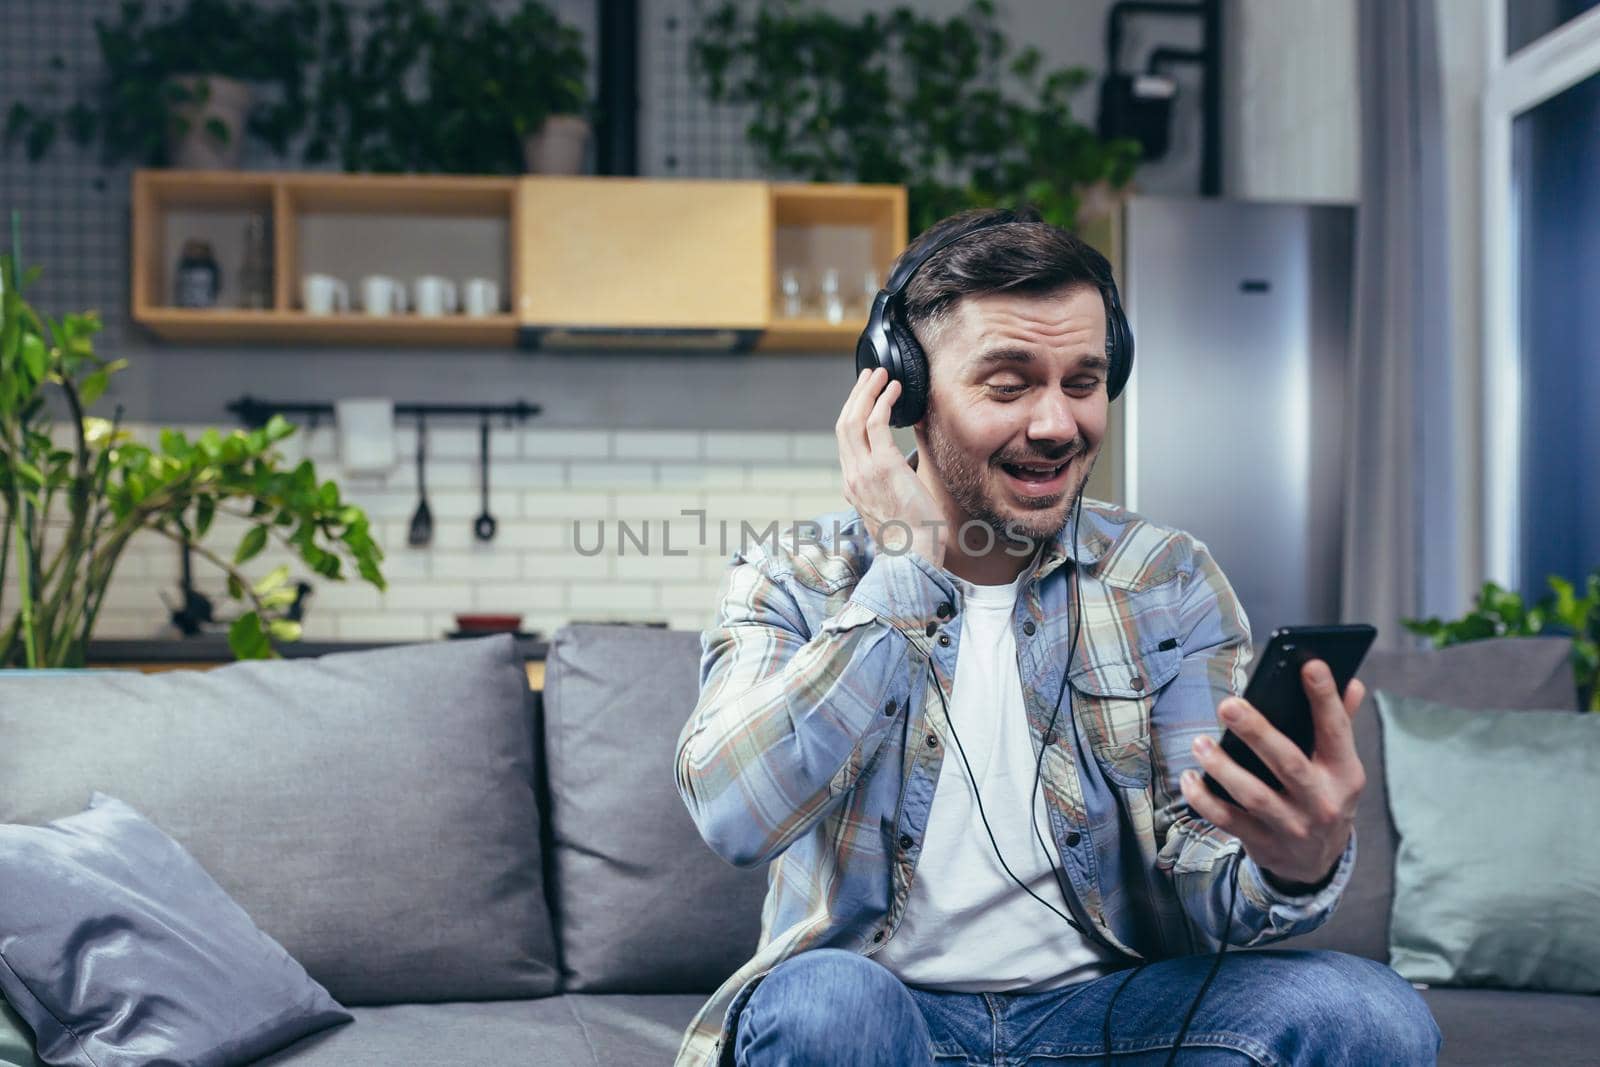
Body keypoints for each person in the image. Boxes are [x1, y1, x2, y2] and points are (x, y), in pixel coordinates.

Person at [673, 207, 1441, 1066]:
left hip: (1107, 1015)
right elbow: (734, 815)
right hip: (883, 1017)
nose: (1057, 424)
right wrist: (904, 571)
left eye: (1083, 382)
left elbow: (1198, 874)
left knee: (1369, 1013)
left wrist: (1291, 863)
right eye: (1008, 385)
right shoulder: (795, 574)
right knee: (822, 1006)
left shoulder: (1166, 578)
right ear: (904, 395)